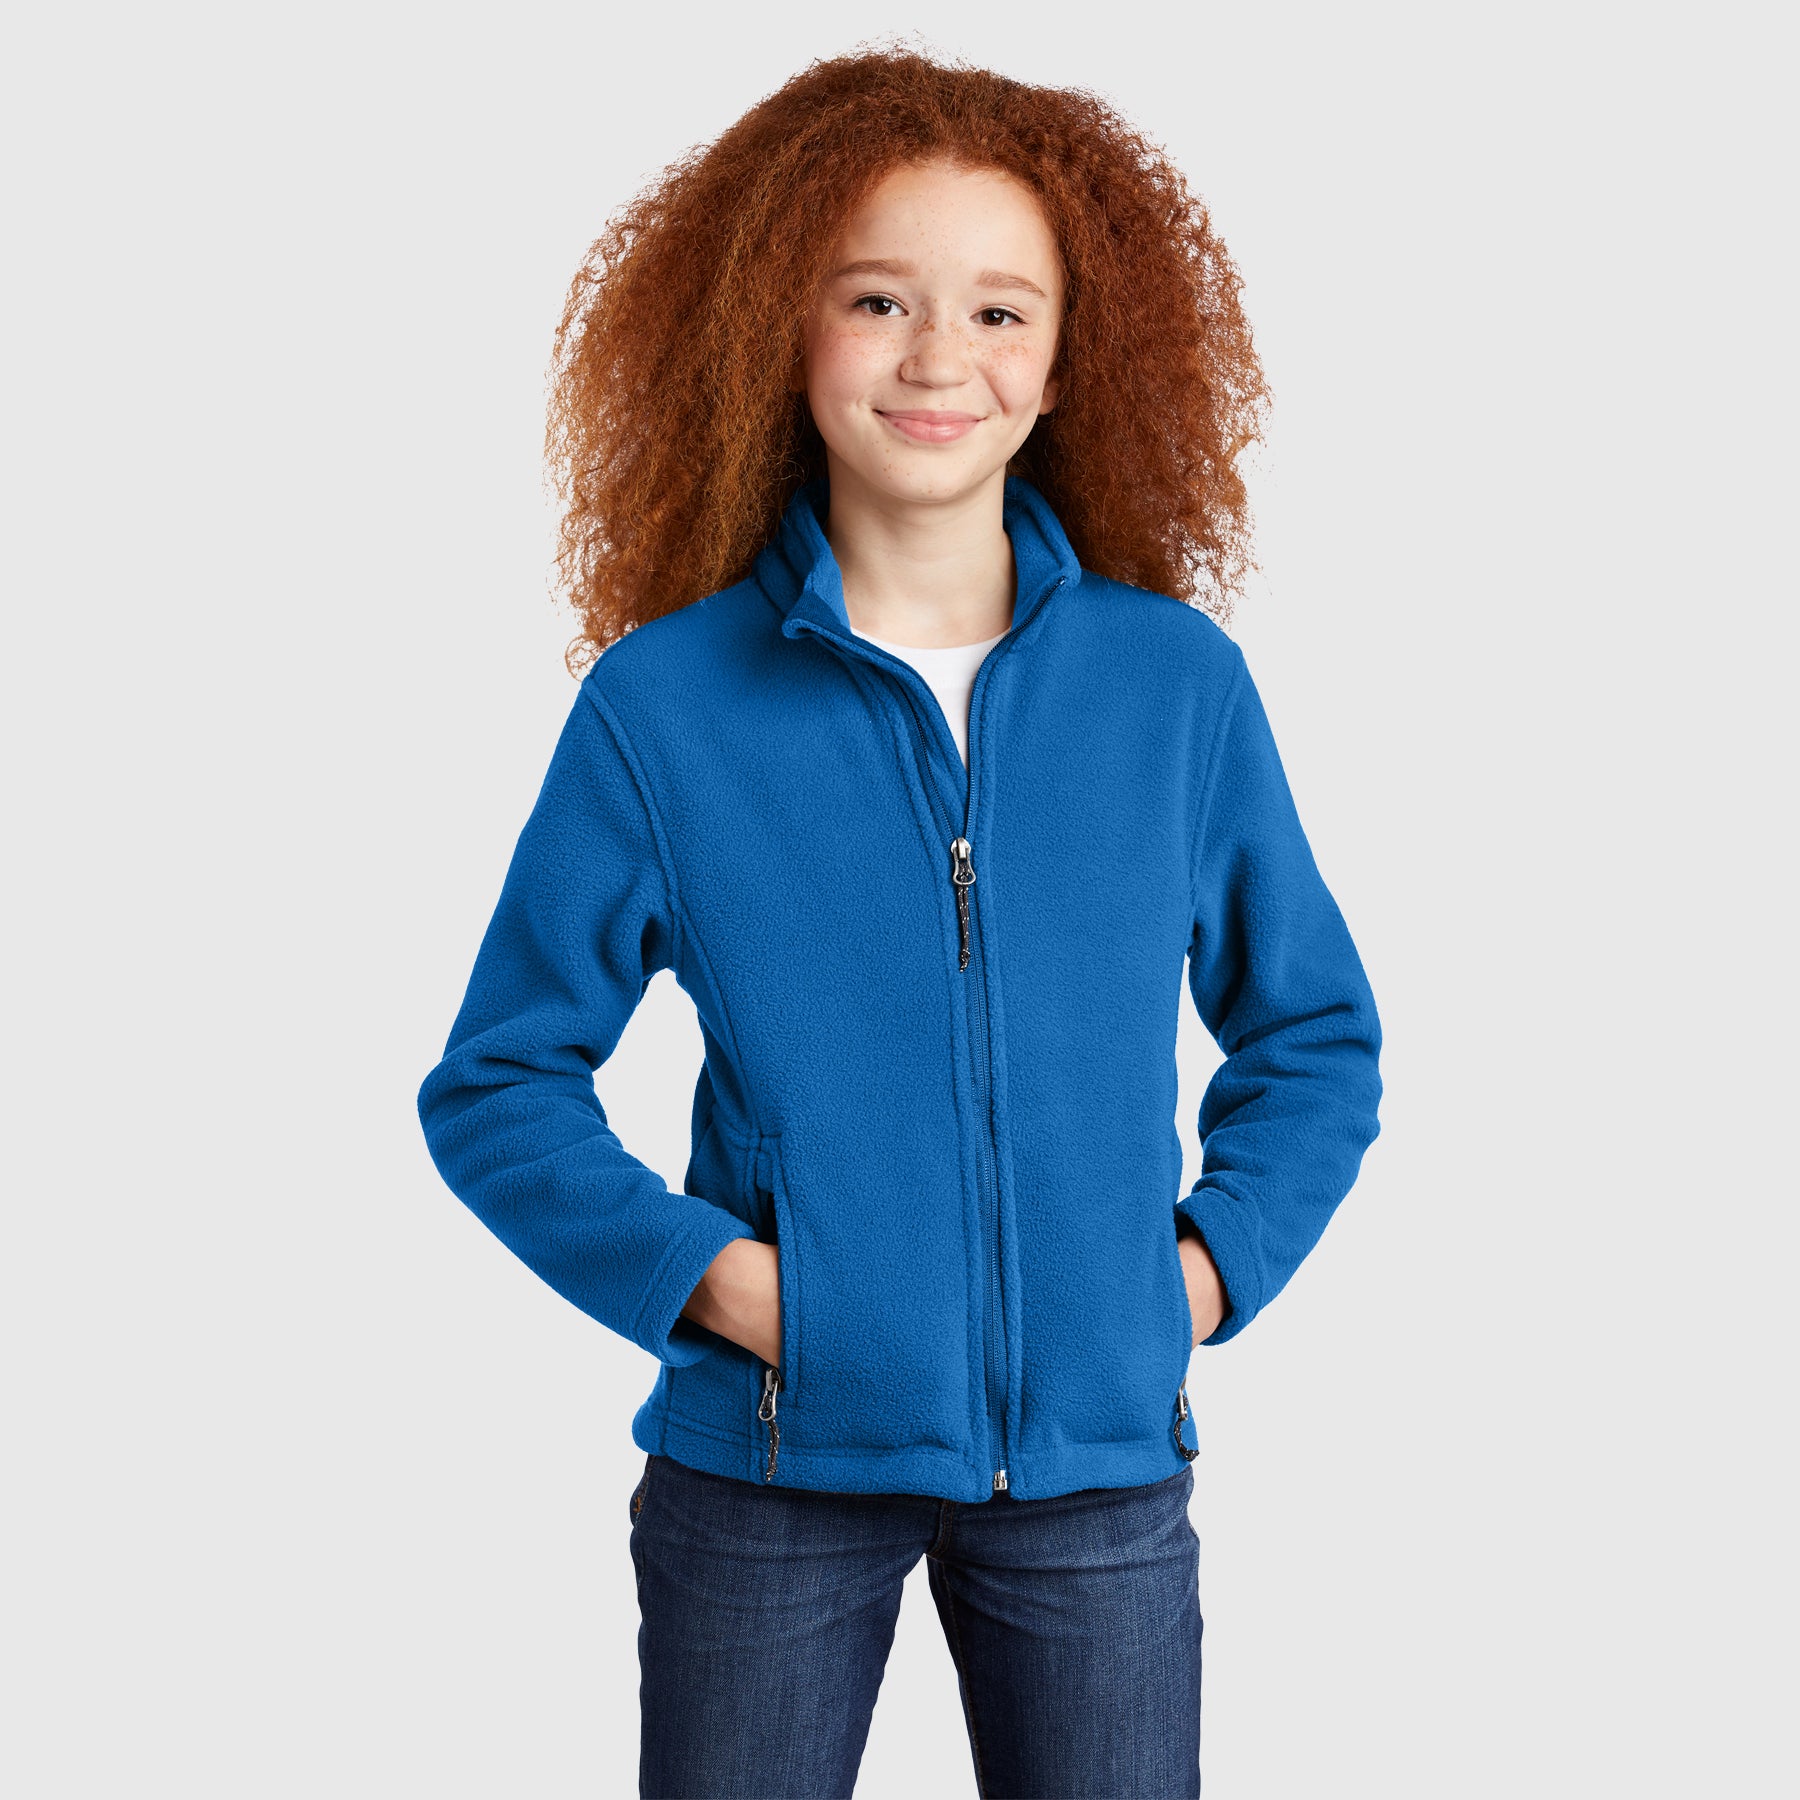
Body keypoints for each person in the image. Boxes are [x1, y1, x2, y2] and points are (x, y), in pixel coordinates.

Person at [417, 44, 1382, 1800]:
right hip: (769, 1474)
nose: (942, 357)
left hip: (1096, 1475)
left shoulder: (1174, 689)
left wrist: (1192, 1280)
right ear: (781, 333)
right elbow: (497, 1085)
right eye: (879, 300)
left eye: (1002, 312)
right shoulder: (665, 708)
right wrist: (731, 1289)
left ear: (1068, 362)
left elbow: (1312, 1035)